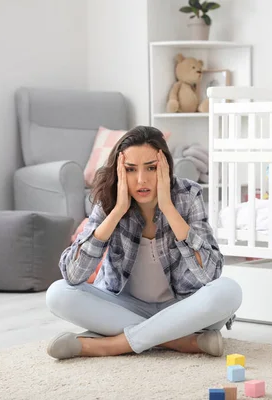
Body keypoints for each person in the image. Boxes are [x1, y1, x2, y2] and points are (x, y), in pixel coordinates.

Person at [45, 126, 242, 360]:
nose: (141, 180)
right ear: (120, 172)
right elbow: (73, 274)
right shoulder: (109, 199)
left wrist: (169, 208)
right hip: (124, 306)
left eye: (151, 167)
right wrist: (117, 211)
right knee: (57, 294)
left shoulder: (188, 195)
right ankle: (178, 341)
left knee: (228, 291)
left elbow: (210, 275)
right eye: (130, 169)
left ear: (166, 167)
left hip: (181, 307)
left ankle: (110, 345)